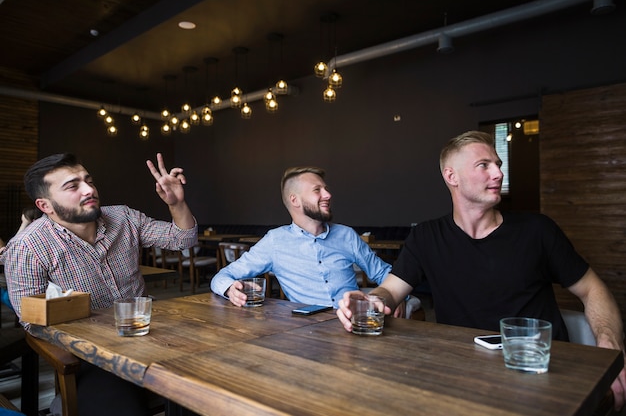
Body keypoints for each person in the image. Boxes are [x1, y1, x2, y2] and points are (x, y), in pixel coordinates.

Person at [337, 130, 625, 411]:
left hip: (539, 373)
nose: (498, 174)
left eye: (497, 165)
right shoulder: (427, 236)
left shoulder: (538, 231)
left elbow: (593, 289)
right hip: (461, 377)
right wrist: (371, 300)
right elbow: (390, 290)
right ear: (452, 177)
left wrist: (610, 346)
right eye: (483, 166)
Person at [2, 152, 198, 416]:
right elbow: (32, 319)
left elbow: (182, 240)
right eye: (73, 186)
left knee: (209, 392)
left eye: (88, 180)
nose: (89, 189)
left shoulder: (124, 218)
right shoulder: (28, 246)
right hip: (94, 359)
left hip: (153, 338)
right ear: (45, 205)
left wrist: (176, 204)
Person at [211, 166, 392, 309]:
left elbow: (383, 273)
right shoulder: (274, 241)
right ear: (294, 200)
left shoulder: (347, 235)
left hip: (354, 323)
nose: (328, 195)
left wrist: (397, 297)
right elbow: (221, 277)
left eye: (326, 189)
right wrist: (229, 289)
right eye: (317, 190)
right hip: (307, 332)